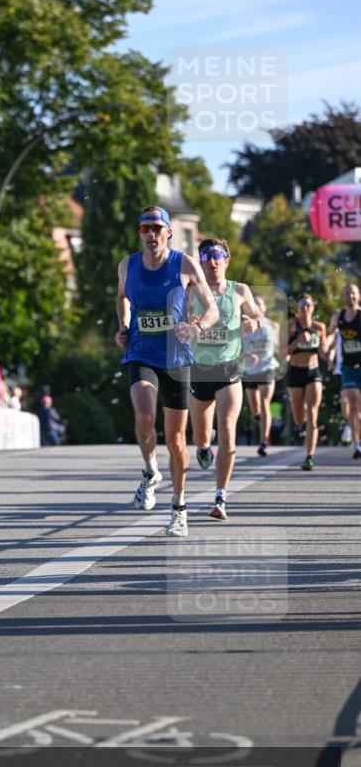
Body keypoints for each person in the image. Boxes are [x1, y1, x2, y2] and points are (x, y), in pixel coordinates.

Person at [115, 205, 218, 537]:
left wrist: (197, 326)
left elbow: (212, 309)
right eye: (145, 229)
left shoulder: (185, 264)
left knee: (176, 441)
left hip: (176, 357)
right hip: (141, 352)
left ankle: (179, 506)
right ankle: (149, 472)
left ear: (169, 232)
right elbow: (122, 298)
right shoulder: (127, 266)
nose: (151, 234)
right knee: (144, 417)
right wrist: (123, 325)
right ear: (139, 233)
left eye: (157, 228)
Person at [189, 239, 263, 520]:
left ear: (226, 260)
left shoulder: (240, 290)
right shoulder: (191, 290)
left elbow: (258, 316)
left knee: (228, 429)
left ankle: (220, 496)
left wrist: (252, 322)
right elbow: (176, 319)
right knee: (200, 437)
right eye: (206, 257)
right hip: (199, 370)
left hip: (229, 370)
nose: (212, 261)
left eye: (217, 256)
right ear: (200, 262)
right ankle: (204, 446)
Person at [285, 293, 328, 471]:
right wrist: (297, 341)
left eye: (308, 305)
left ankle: (309, 456)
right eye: (302, 305)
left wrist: (327, 351)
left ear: (313, 308)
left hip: (313, 371)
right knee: (299, 418)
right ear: (297, 309)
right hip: (295, 372)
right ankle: (301, 426)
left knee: (312, 413)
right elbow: (283, 352)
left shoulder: (319, 327)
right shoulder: (291, 327)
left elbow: (324, 352)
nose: (306, 308)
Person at [241, 294, 280, 456]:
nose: (256, 306)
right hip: (250, 370)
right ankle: (258, 418)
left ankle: (264, 441)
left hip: (267, 368)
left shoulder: (273, 326)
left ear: (264, 308)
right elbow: (236, 350)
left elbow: (278, 346)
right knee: (255, 410)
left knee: (265, 402)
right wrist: (248, 356)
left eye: (259, 304)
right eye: (254, 304)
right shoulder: (243, 327)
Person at [327, 282, 361, 459]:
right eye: (347, 294)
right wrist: (328, 352)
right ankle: (357, 444)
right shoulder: (337, 316)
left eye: (353, 293)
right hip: (347, 367)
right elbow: (329, 335)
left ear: (359, 296)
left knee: (358, 407)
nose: (351, 297)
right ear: (343, 297)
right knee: (353, 406)